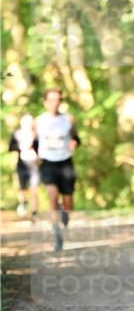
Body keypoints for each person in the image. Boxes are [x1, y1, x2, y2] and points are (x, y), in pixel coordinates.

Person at [35, 88, 80, 252]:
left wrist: (74, 142)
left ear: (60, 101)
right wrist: (35, 154)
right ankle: (57, 234)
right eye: (51, 100)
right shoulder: (39, 121)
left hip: (66, 163)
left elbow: (76, 137)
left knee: (68, 201)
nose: (55, 103)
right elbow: (34, 141)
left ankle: (66, 213)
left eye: (58, 99)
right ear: (45, 102)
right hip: (48, 163)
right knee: (52, 198)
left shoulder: (68, 119)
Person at [8, 113, 40, 219]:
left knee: (34, 189)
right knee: (23, 188)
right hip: (21, 165)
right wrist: (20, 147)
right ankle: (23, 203)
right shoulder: (17, 134)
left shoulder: (36, 134)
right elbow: (11, 147)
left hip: (34, 165)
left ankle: (35, 212)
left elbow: (40, 148)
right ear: (21, 122)